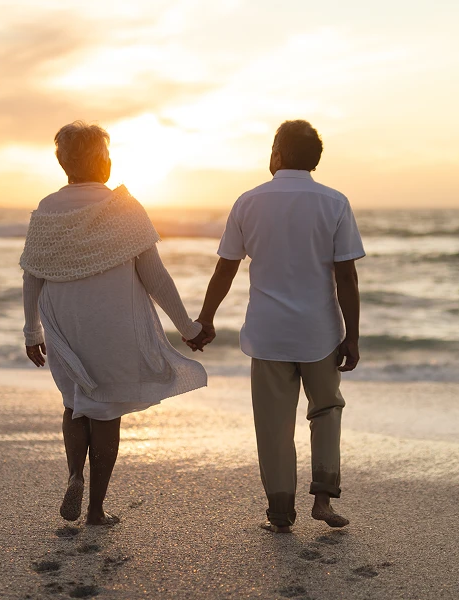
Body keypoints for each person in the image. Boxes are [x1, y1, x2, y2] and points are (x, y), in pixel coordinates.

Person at [21, 121, 211, 526]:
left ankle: (75, 474)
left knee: (75, 405)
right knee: (106, 412)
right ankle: (95, 509)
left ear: (62, 162)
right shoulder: (124, 206)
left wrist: (31, 330)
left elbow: (32, 274)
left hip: (63, 321)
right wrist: (188, 327)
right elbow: (155, 276)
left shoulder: (48, 207)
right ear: (104, 161)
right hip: (113, 323)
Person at [194, 120, 364, 533]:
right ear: (315, 160)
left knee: (273, 424)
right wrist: (352, 335)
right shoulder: (334, 202)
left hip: (268, 334)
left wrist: (206, 318)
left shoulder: (249, 202)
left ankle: (280, 513)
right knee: (326, 410)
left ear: (277, 154)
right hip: (319, 333)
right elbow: (346, 277)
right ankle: (323, 498)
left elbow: (225, 269)